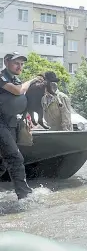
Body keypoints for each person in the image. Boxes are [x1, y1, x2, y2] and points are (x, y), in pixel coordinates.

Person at [0, 52, 39, 199]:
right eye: (17, 63)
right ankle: (25, 196)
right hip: (1, 124)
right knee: (15, 158)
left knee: (3, 162)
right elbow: (18, 91)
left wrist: (27, 118)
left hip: (12, 124)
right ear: (6, 62)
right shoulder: (2, 77)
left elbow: (20, 101)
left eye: (22, 64)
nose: (20, 66)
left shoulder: (17, 80)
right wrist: (32, 81)